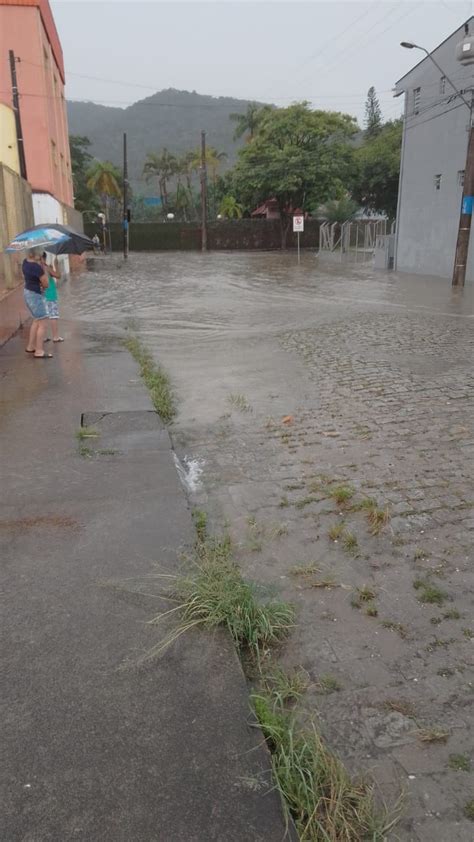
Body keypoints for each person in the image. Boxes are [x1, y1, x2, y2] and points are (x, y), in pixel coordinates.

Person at [23, 248, 53, 359]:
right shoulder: (36, 267)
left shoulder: (25, 262)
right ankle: (39, 351)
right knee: (43, 323)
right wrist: (43, 267)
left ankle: (31, 346)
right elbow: (46, 284)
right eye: (40, 253)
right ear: (36, 254)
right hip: (35, 296)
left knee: (36, 320)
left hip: (27, 293)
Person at [42, 253, 64, 343]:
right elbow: (58, 276)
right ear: (43, 258)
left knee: (42, 316)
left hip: (42, 295)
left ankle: (43, 337)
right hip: (50, 294)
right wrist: (56, 265)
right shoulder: (46, 268)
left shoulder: (37, 268)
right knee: (53, 316)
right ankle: (55, 337)